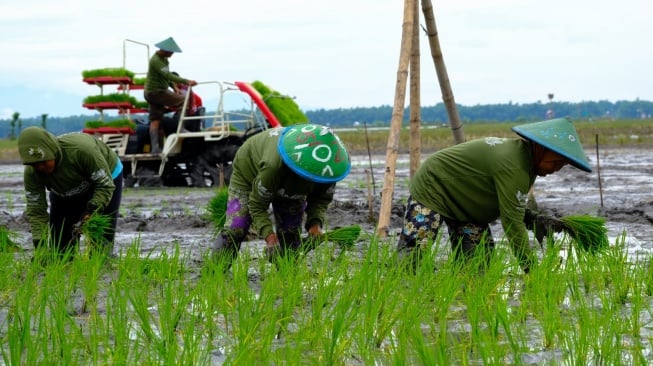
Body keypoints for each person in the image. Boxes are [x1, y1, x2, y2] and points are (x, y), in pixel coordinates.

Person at [396, 117, 592, 274]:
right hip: (435, 185)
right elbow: (512, 224)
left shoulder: (527, 165)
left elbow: (510, 205)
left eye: (561, 166)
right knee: (414, 255)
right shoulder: (514, 164)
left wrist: (537, 219)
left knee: (477, 263)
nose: (555, 169)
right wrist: (531, 270)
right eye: (555, 162)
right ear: (541, 148)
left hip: (466, 204)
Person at [211, 123, 351, 268]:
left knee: (290, 235)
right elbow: (257, 205)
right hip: (250, 172)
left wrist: (315, 225)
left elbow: (320, 200)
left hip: (288, 182)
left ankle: (286, 276)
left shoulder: (329, 170)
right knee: (236, 228)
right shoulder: (274, 166)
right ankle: (215, 273)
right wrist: (270, 237)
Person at [17, 126, 124, 260]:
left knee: (100, 252)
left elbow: (105, 185)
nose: (40, 168)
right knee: (61, 254)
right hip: (64, 192)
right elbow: (36, 210)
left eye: (43, 162)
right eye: (34, 165)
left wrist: (91, 210)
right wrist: (40, 245)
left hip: (105, 180)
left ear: (53, 152)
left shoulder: (81, 151)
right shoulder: (32, 173)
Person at [144, 37, 197, 153]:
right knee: (183, 100)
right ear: (164, 50)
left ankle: (156, 148)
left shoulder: (164, 60)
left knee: (156, 119)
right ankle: (180, 128)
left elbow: (165, 77)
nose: (172, 54)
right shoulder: (156, 61)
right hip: (156, 92)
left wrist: (174, 87)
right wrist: (186, 81)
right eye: (171, 52)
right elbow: (168, 75)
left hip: (152, 92)